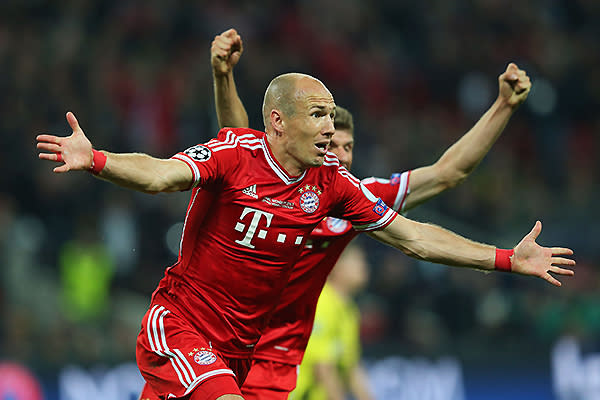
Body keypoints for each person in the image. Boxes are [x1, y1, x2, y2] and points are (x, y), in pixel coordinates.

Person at [37, 49, 575, 400]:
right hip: (183, 324)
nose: (329, 129)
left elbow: (415, 237)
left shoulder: (336, 188)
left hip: (255, 355)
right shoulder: (234, 153)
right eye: (318, 115)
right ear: (279, 122)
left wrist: (505, 258)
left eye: (333, 116)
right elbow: (161, 175)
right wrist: (99, 160)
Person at [207, 29, 571, 400]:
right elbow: (236, 139)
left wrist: (503, 107)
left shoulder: (353, 198)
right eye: (331, 144)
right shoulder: (265, 180)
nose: (341, 155)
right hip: (220, 344)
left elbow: (447, 174)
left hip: (279, 364)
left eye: (347, 146)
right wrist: (223, 76)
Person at [290, 242, 374, 400]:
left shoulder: (349, 309)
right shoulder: (322, 302)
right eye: (358, 261)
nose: (365, 266)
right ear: (337, 265)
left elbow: (351, 367)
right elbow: (322, 367)